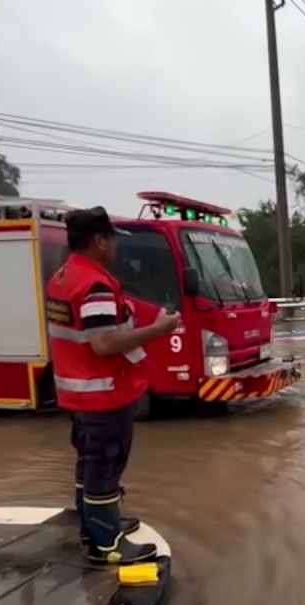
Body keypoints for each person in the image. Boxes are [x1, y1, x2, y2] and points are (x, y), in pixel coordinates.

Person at [45, 206, 183, 565]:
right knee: (105, 469)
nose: (116, 249)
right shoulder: (95, 285)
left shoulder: (63, 277)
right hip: (104, 393)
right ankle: (107, 545)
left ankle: (92, 527)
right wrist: (161, 329)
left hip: (80, 393)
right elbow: (104, 343)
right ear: (98, 240)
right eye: (112, 241)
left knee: (89, 465)